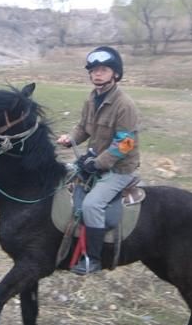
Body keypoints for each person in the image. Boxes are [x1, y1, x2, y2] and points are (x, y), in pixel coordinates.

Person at [57, 46, 140, 274]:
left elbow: (125, 144)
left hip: (120, 168)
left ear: (115, 73)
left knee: (92, 205)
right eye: (93, 70)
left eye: (103, 69)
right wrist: (70, 138)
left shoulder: (125, 104)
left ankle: (92, 259)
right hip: (94, 160)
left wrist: (98, 163)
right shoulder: (92, 99)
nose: (97, 74)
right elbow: (84, 127)